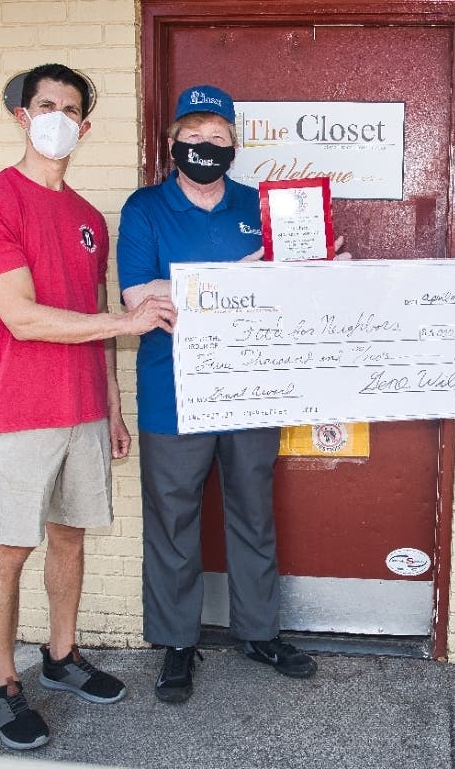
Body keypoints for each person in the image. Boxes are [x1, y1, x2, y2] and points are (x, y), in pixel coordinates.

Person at [0, 63, 177, 751]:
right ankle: (3, 685)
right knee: (12, 546)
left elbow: (89, 321)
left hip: (83, 406)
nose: (56, 117)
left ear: (83, 127)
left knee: (71, 535)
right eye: (44, 104)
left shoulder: (87, 219)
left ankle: (61, 655)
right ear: (22, 115)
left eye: (70, 108)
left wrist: (112, 409)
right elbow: (22, 318)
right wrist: (124, 323)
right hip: (21, 407)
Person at [117, 84, 319, 704]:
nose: (205, 147)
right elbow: (138, 300)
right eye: (194, 136)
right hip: (169, 392)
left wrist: (313, 271)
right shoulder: (144, 208)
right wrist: (240, 282)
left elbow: (291, 291)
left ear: (235, 143)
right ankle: (178, 643)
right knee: (172, 520)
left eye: (218, 137)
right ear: (173, 142)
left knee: (253, 511)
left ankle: (259, 632)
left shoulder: (260, 205)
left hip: (251, 390)